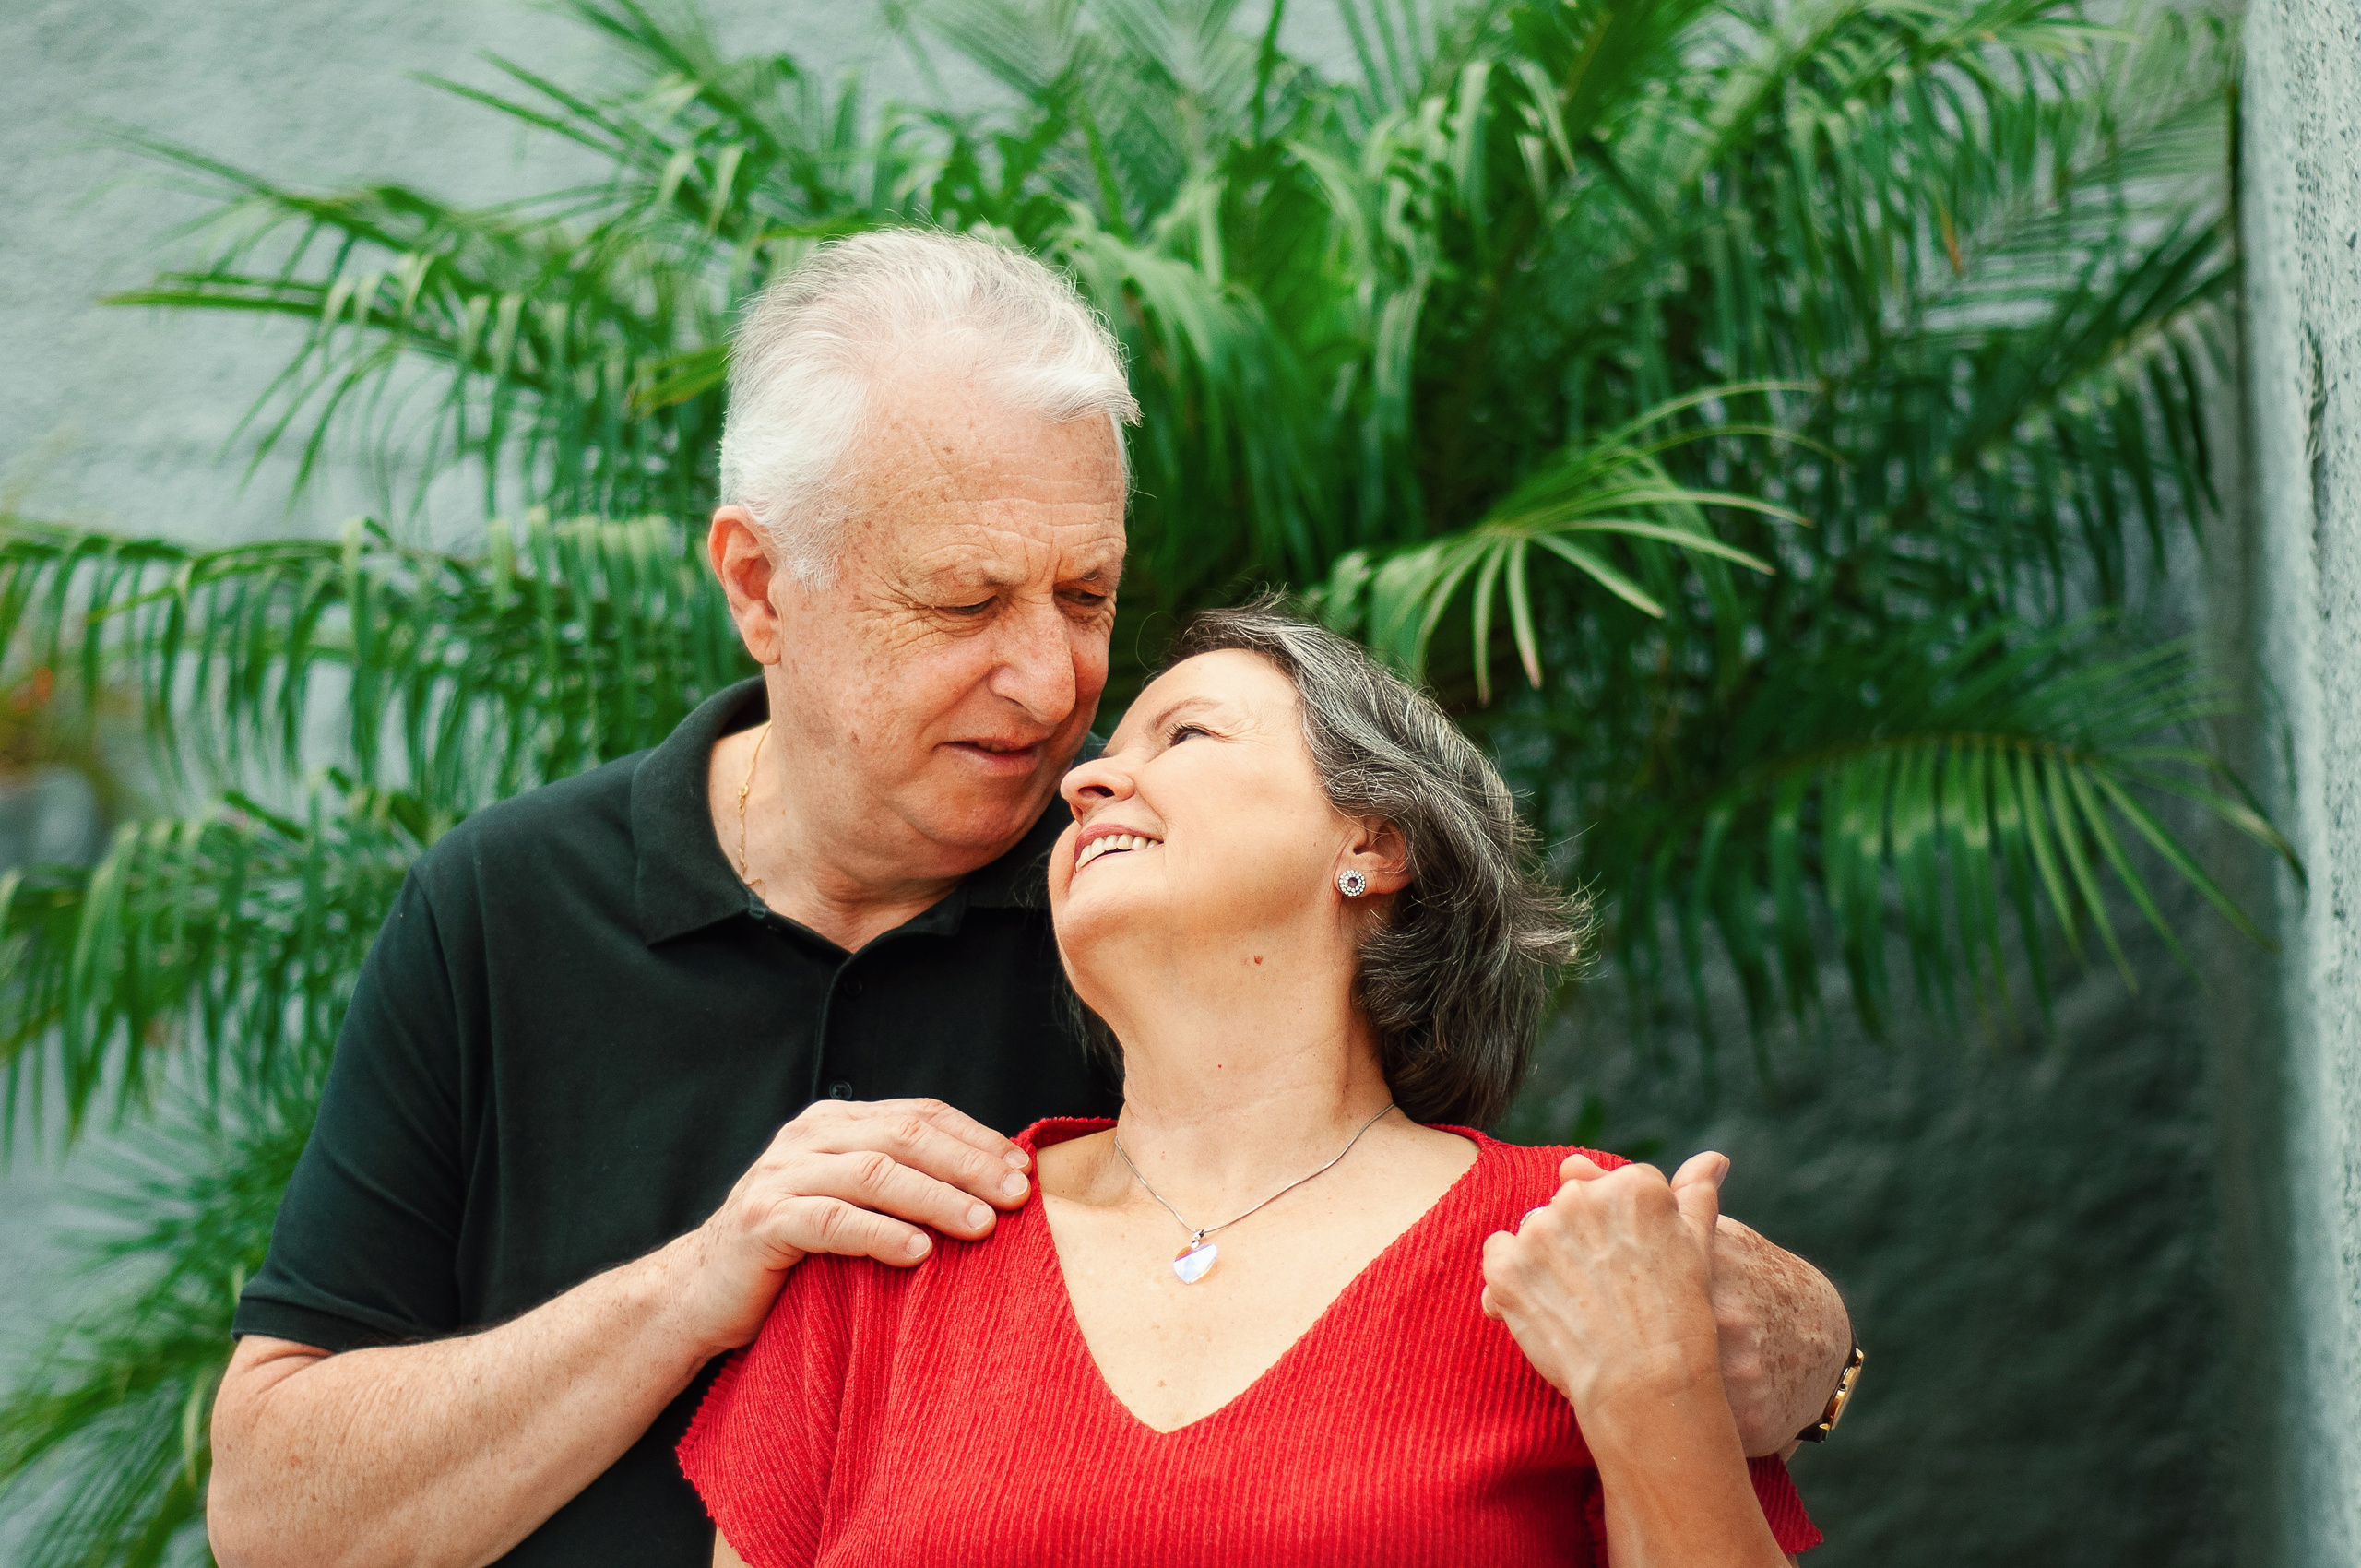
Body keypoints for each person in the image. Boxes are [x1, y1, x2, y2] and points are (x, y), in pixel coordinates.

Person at [205, 231, 1855, 1568]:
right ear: (761, 585)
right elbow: (271, 1516)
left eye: (1088, 592)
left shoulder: (1152, 899)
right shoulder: (501, 907)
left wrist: (1786, 1347)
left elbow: (1496, 1252)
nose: (1057, 688)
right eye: (964, 601)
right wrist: (702, 1282)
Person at [682, 605, 1828, 1566]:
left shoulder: (1582, 1244)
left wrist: (1655, 1396)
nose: (1087, 780)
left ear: (1374, 840)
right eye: (1099, 761)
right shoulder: (890, 1253)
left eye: (1182, 733)